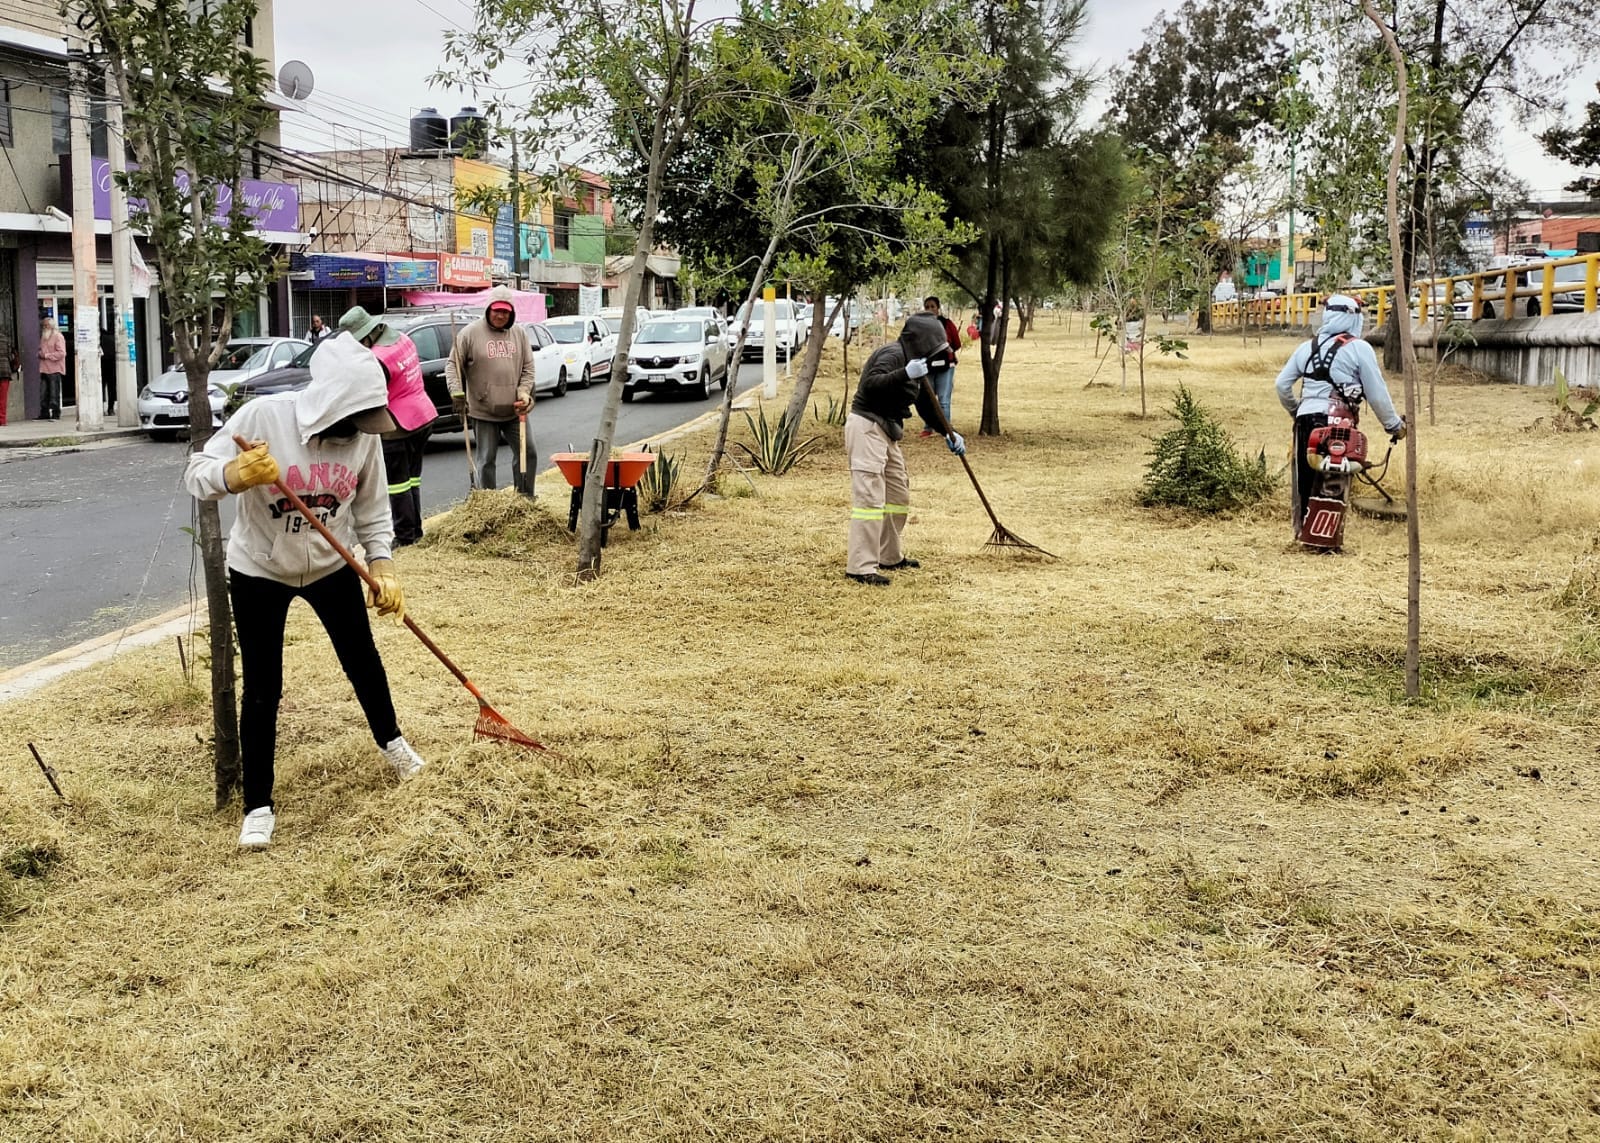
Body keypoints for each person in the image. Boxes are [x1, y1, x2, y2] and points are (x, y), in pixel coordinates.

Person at [183, 330, 426, 850]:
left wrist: (381, 568)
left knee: (362, 658)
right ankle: (258, 805)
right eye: (353, 420)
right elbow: (197, 473)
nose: (359, 431)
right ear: (332, 404)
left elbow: (372, 513)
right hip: (259, 570)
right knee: (264, 685)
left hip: (330, 565)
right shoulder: (264, 419)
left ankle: (394, 744)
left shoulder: (364, 440)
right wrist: (235, 472)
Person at [1275, 294, 1407, 547]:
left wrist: (1298, 411)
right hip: (1338, 422)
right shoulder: (1358, 348)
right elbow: (1377, 393)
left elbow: (1281, 385)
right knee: (1333, 478)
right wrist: (1394, 426)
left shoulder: (1305, 348)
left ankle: (1303, 534)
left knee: (1304, 478)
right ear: (1352, 316)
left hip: (1305, 419)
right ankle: (1325, 541)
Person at [845, 312, 965, 585]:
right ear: (920, 342)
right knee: (870, 501)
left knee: (898, 495)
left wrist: (950, 433)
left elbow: (926, 404)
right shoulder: (892, 356)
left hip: (888, 430)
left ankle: (890, 556)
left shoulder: (918, 364)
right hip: (866, 426)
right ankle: (861, 567)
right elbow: (871, 385)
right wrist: (904, 373)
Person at [338, 307, 437, 546]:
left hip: (397, 425)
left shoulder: (377, 358)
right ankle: (415, 531)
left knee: (397, 484)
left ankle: (404, 536)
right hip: (423, 415)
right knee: (413, 479)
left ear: (368, 334)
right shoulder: (403, 339)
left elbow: (371, 395)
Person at [445, 285, 536, 492]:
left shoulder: (519, 334)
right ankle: (488, 504)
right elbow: (452, 365)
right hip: (483, 410)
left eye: (505, 311)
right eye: (497, 310)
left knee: (527, 453)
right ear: (488, 309)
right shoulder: (470, 334)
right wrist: (456, 391)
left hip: (515, 410)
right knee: (486, 460)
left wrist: (524, 391)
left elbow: (528, 368)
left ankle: (524, 499)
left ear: (511, 313)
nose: (500, 315)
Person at [918, 295, 961, 436]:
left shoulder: (947, 324)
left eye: (932, 306)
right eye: (927, 307)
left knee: (944, 400)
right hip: (927, 367)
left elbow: (956, 343)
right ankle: (928, 427)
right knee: (929, 398)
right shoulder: (920, 326)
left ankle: (947, 430)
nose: (930, 309)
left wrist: (947, 354)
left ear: (938, 308)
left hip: (945, 367)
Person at [37, 318, 65, 421]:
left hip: (54, 369)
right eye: (43, 326)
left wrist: (47, 355)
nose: (44, 328)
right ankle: (44, 413)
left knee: (54, 393)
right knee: (43, 393)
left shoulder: (58, 336)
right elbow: (40, 350)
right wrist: (40, 354)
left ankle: (55, 413)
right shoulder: (44, 337)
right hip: (44, 368)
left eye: (46, 326)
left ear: (51, 326)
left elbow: (62, 353)